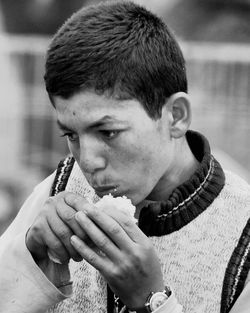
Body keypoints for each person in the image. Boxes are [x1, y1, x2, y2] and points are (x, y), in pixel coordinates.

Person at [0, 1, 250, 312]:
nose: (88, 162)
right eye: (71, 136)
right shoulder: (59, 191)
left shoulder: (243, 239)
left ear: (175, 116)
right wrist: (30, 269)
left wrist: (152, 301)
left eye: (108, 133)